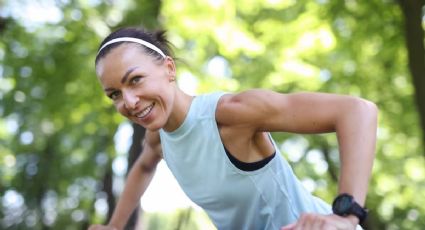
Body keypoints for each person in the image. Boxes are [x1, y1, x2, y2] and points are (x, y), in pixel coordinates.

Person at [89, 27, 377, 230]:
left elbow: (357, 111)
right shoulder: (159, 138)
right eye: (114, 94)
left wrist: (347, 214)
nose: (128, 101)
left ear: (168, 69)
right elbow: (143, 167)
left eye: (135, 80)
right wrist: (114, 225)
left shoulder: (230, 114)